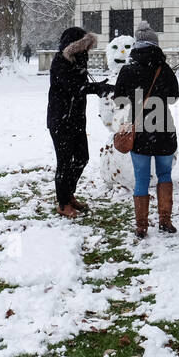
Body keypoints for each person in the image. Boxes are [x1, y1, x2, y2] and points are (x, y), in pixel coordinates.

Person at [114, 20, 179, 238]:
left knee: (141, 179)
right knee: (164, 175)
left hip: (139, 131)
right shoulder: (165, 69)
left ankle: (141, 226)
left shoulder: (127, 70)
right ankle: (165, 221)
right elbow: (173, 99)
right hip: (164, 129)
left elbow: (120, 101)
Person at [47, 26, 113, 218]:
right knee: (65, 163)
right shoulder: (60, 63)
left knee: (82, 157)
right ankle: (63, 203)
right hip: (60, 121)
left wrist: (97, 85)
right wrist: (97, 88)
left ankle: (69, 194)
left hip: (76, 120)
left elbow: (81, 85)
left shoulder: (78, 62)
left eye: (87, 48)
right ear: (73, 47)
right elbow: (74, 87)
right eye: (83, 47)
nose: (86, 52)